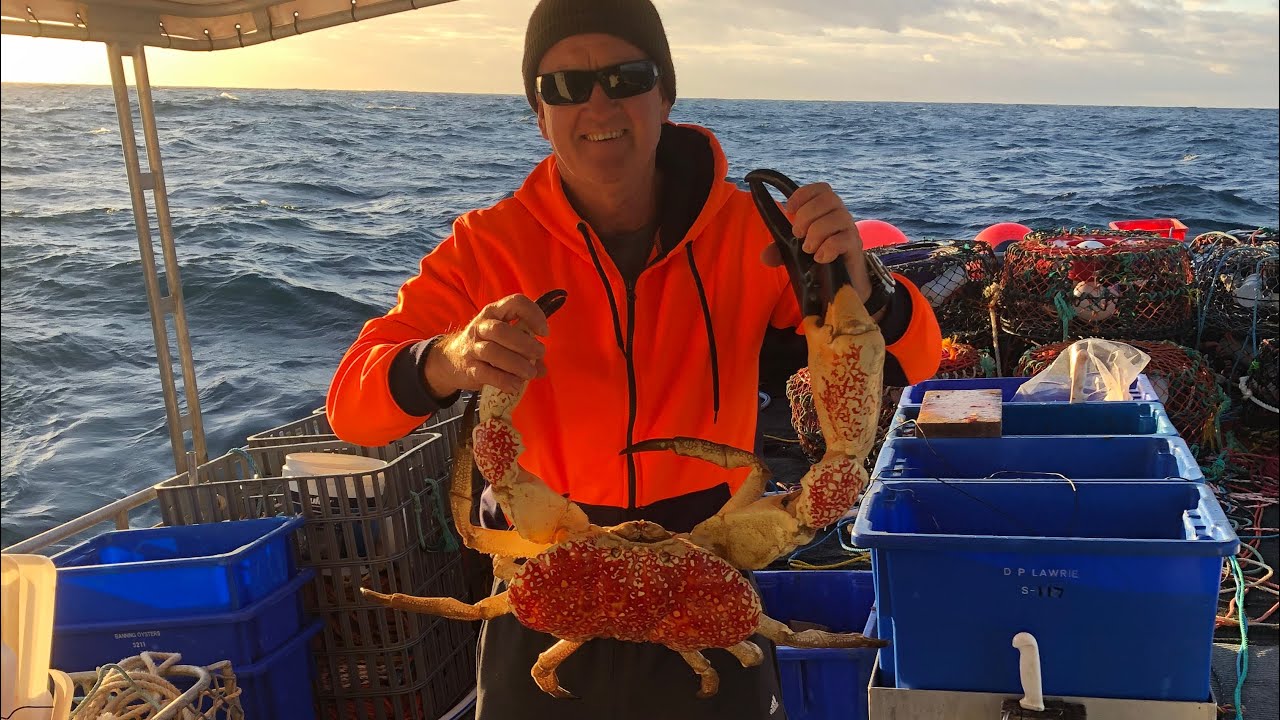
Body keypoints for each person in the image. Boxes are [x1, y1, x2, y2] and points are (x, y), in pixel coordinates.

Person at [326, 1, 942, 717]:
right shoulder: (485, 248)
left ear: (665, 94)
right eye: (565, 85)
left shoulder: (755, 233)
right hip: (549, 569)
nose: (598, 103)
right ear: (538, 111)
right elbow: (353, 412)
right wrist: (445, 358)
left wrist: (864, 284)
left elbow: (919, 362)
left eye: (626, 76)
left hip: (709, 561)